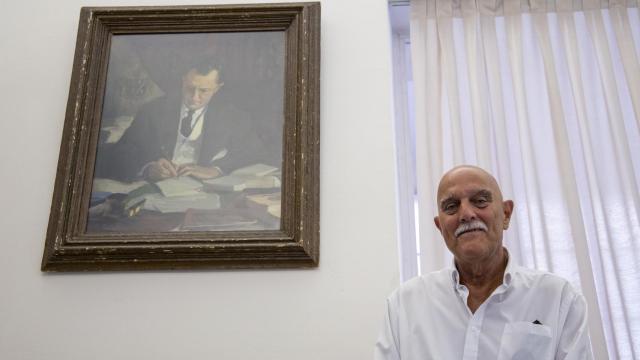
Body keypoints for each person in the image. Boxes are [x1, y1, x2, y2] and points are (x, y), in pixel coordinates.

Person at [374, 165, 592, 360]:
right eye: (451, 206)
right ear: (440, 226)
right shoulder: (403, 306)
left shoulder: (559, 299)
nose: (467, 214)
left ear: (506, 214)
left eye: (480, 201)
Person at [97, 61, 272, 182]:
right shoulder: (153, 110)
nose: (194, 97)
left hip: (203, 193)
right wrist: (148, 168)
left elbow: (255, 152)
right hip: (155, 189)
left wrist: (216, 170)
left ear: (217, 89)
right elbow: (121, 153)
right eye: (190, 88)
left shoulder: (233, 116)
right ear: (182, 81)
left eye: (204, 91)